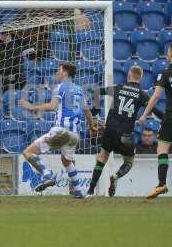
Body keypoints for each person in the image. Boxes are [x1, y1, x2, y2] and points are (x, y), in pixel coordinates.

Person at [18, 62, 96, 198]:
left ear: (65, 72)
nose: (56, 73)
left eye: (58, 70)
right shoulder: (79, 89)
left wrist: (31, 107)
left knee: (28, 152)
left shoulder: (60, 87)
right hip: (75, 135)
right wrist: (91, 126)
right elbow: (87, 111)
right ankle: (78, 191)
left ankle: (48, 175)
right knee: (66, 161)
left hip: (61, 131)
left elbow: (52, 106)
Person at [87, 66, 164, 197]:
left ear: (129, 75)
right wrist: (165, 118)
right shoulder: (141, 94)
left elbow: (95, 91)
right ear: (140, 78)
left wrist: (94, 113)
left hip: (109, 130)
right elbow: (155, 110)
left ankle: (90, 191)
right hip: (125, 134)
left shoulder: (118, 88)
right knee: (129, 161)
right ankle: (116, 176)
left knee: (102, 157)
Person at [139, 43, 172, 199]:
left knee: (162, 148)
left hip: (170, 117)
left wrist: (145, 114)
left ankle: (161, 184)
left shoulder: (165, 73)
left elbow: (156, 96)